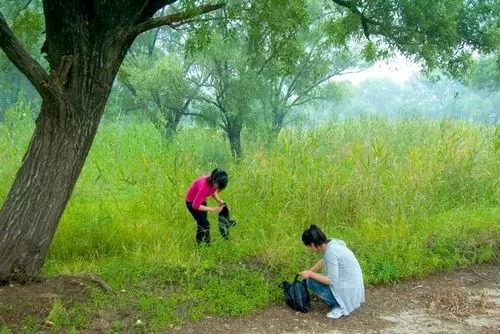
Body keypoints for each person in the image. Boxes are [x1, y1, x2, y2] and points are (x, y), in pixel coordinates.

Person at [299, 224, 365, 319]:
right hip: (353, 289)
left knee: (311, 281)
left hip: (348, 291)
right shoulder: (332, 244)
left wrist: (310, 274)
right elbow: (323, 262)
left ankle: (340, 306)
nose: (308, 249)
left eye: (307, 246)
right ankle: (340, 300)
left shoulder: (331, 252)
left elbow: (331, 281)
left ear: (313, 244)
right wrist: (309, 271)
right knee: (313, 277)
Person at [185, 168, 228, 244]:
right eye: (218, 186)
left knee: (204, 223)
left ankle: (205, 243)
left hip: (201, 200)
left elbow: (212, 191)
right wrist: (214, 209)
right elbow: (195, 206)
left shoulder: (213, 180)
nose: (218, 189)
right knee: (203, 223)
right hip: (191, 203)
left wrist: (218, 200)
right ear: (214, 181)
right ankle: (202, 244)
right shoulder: (204, 187)